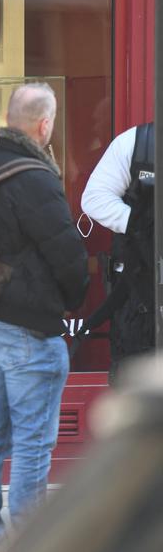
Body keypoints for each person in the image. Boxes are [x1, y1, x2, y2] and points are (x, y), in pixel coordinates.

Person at [0, 83, 89, 552]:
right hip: (28, 330)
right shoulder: (34, 177)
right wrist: (74, 302)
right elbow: (67, 254)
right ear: (44, 125)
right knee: (34, 440)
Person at [80, 122, 156, 383]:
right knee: (139, 399)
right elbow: (95, 198)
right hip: (141, 299)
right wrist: (143, 227)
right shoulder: (138, 143)